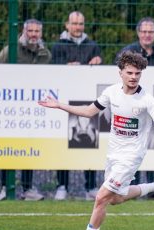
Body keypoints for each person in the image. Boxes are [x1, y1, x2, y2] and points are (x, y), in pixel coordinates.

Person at [38, 51, 154, 230]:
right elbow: (88, 111)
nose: (134, 77)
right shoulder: (111, 93)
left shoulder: (147, 100)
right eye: (130, 72)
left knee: (101, 197)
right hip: (114, 155)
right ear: (121, 73)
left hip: (131, 157)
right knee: (115, 198)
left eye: (138, 73)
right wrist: (58, 105)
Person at [0, 18, 51, 201]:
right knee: (8, 146)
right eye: (31, 31)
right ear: (24, 31)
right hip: (10, 106)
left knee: (29, 146)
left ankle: (27, 189)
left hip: (32, 108)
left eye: (37, 31)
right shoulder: (10, 51)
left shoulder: (45, 54)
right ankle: (5, 187)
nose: (34, 34)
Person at [116, 17, 154, 199]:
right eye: (144, 31)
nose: (147, 35)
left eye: (151, 32)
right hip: (132, 106)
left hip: (153, 105)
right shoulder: (127, 52)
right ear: (138, 33)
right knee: (133, 146)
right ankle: (131, 186)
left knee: (153, 145)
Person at [51, 11, 101, 201]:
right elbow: (52, 69)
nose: (78, 27)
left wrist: (98, 62)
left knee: (90, 143)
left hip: (87, 99)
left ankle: (90, 187)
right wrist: (66, 66)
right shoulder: (58, 46)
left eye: (81, 24)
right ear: (67, 25)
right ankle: (62, 186)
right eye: (74, 23)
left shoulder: (93, 45)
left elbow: (99, 69)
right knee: (64, 143)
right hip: (66, 100)